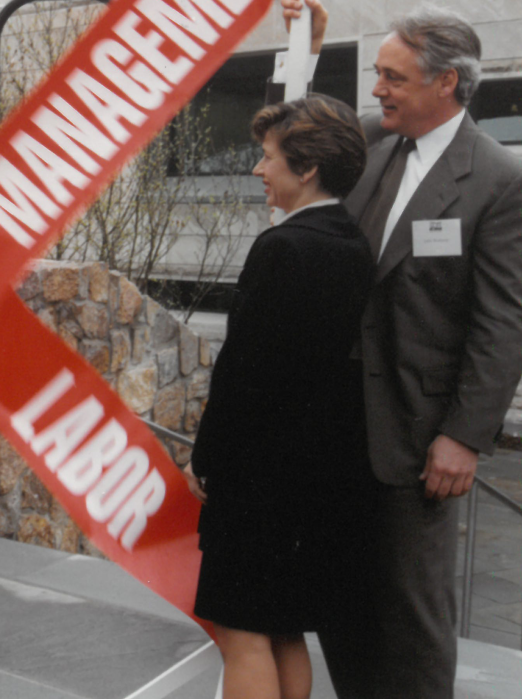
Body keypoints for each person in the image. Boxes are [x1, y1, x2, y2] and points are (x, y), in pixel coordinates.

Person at [303, 0, 522, 699]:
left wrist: (463, 434)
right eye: (378, 75)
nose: (377, 89)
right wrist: (302, 49)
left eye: (393, 77)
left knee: (414, 620)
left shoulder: (497, 178)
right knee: (341, 601)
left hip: (418, 440)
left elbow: (502, 320)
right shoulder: (368, 141)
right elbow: (294, 141)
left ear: (445, 83)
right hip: (337, 426)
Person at [184, 94, 373, 699]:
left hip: (260, 477)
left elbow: (245, 373)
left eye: (268, 157)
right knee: (284, 629)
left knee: (241, 632)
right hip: (316, 473)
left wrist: (206, 458)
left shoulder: (283, 247)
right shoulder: (352, 242)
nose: (260, 170)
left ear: (307, 167)